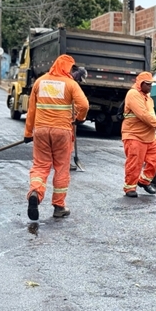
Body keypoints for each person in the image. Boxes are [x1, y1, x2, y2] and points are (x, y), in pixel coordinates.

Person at [24, 55, 89, 220]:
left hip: (41, 131)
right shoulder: (70, 84)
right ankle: (59, 206)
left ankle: (35, 193)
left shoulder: (40, 82)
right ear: (68, 68)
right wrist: (79, 118)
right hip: (62, 131)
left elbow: (31, 110)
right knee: (61, 168)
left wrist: (28, 133)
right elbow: (84, 105)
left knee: (40, 166)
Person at [121, 71, 156, 198]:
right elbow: (143, 115)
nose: (150, 87)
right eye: (148, 84)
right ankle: (130, 187)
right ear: (140, 84)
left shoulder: (148, 98)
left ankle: (144, 181)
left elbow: (150, 115)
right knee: (135, 162)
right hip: (134, 135)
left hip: (149, 136)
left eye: (151, 84)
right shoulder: (133, 94)